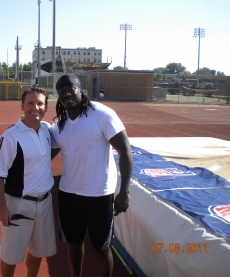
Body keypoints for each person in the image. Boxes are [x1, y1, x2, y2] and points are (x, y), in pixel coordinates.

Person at [50, 74, 133, 277]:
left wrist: (124, 192)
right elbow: (43, 156)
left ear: (80, 90)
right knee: (73, 243)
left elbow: (125, 151)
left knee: (102, 247)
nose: (67, 94)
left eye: (71, 89)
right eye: (62, 91)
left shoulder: (102, 114)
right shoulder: (59, 125)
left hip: (99, 194)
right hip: (69, 194)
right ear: (58, 96)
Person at [0, 87, 56, 277]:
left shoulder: (46, 130)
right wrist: (2, 207)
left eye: (40, 103)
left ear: (45, 107)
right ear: (22, 106)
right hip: (19, 205)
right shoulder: (10, 136)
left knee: (38, 253)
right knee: (11, 256)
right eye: (30, 103)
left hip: (44, 203)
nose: (35, 107)